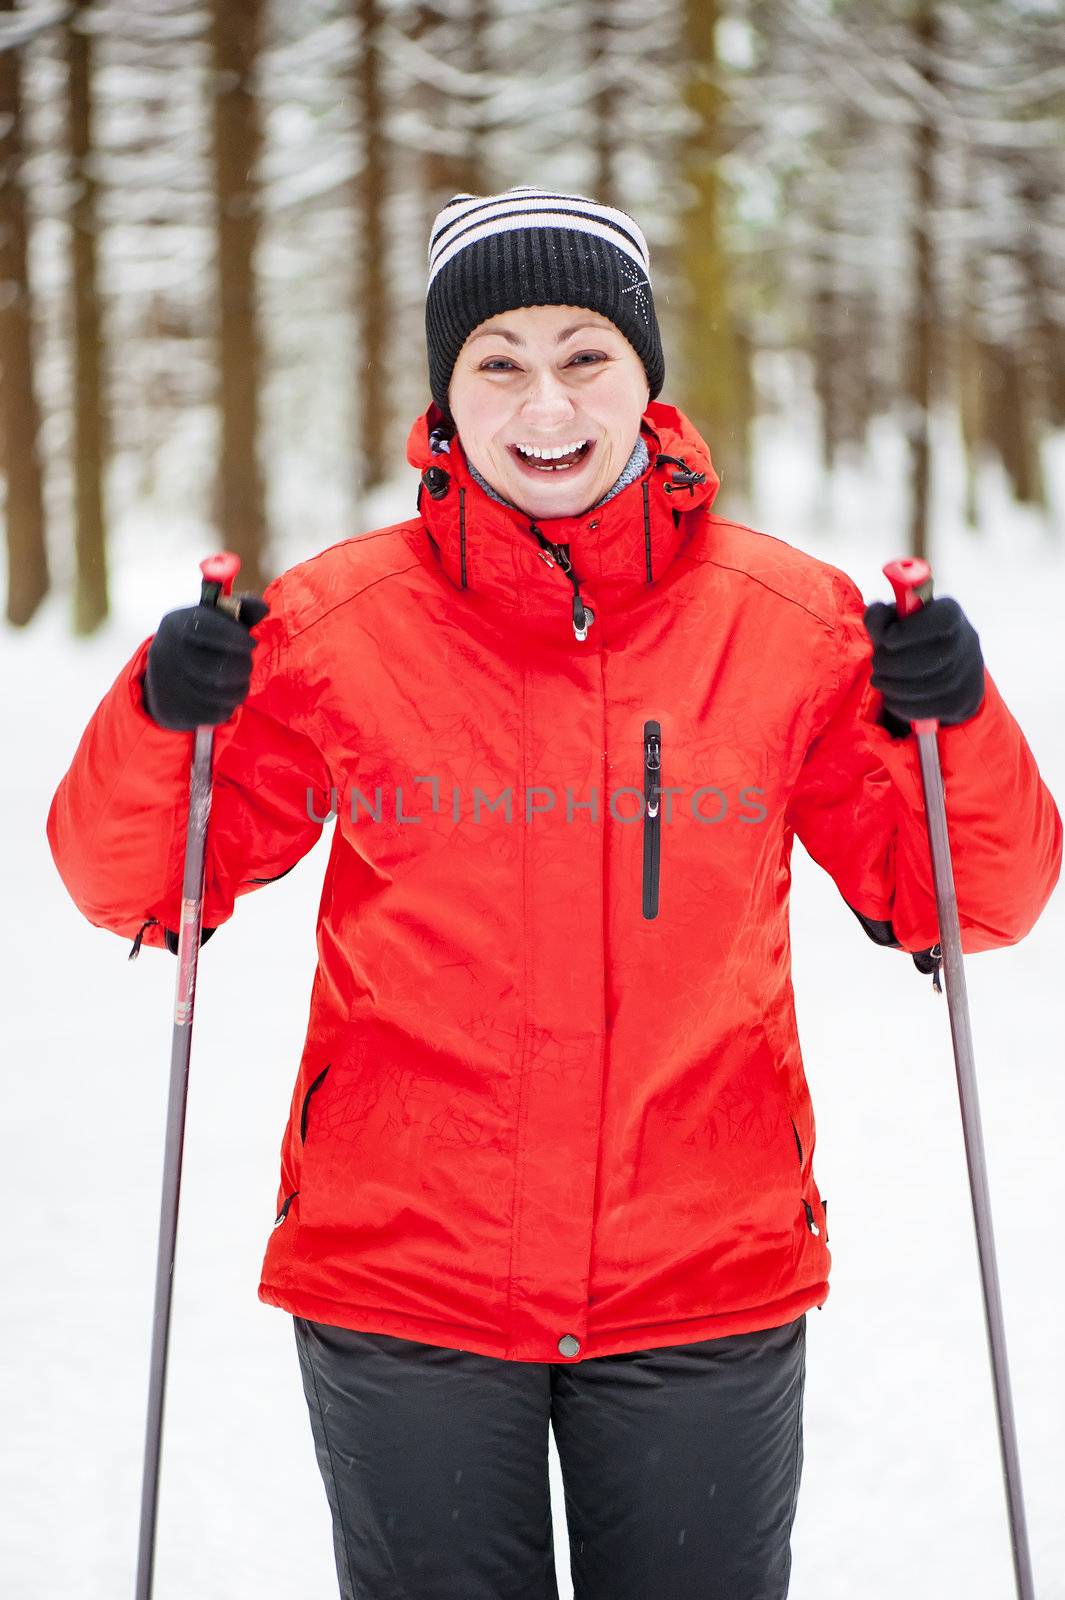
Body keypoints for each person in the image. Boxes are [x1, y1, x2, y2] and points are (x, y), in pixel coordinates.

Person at [47, 187, 1062, 1600]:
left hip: (704, 1277)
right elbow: (137, 886)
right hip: (407, 1281)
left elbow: (973, 902)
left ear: (646, 380)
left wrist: (949, 721)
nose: (545, 405)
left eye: (584, 352)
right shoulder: (336, 626)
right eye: (497, 361)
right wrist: (164, 714)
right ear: (444, 396)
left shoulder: (792, 626)